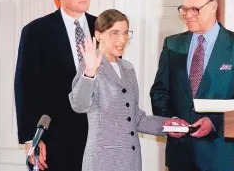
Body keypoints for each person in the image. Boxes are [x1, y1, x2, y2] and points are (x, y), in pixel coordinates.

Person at [150, 0, 234, 171]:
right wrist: (170, 119)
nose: (188, 15)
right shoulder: (172, 44)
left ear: (213, 6)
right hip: (180, 156)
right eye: (184, 9)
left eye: (195, 9)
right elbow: (159, 91)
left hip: (221, 155)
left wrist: (214, 122)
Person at [14, 0, 96, 171]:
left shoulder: (102, 27)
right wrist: (31, 137)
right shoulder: (36, 32)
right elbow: (25, 87)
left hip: (99, 138)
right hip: (57, 140)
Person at [69, 9, 167, 171]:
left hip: (130, 161)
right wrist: (89, 73)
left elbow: (135, 118)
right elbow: (79, 105)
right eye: (114, 33)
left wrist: (169, 125)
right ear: (98, 35)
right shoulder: (90, 66)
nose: (122, 40)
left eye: (125, 33)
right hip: (103, 162)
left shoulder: (128, 69)